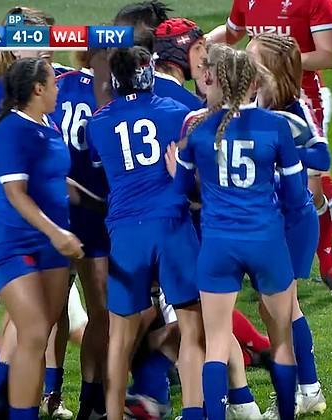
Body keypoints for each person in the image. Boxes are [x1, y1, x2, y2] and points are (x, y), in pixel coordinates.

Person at [175, 43, 305, 420]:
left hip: (218, 242)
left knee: (216, 342)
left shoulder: (198, 129)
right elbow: (296, 196)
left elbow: (181, 192)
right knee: (282, 341)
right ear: (253, 83)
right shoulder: (275, 126)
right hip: (266, 239)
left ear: (215, 81)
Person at [207, 0, 332, 294]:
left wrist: (278, 63)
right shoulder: (247, 3)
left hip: (300, 93)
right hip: (262, 95)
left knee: (313, 189)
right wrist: (201, 43)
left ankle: (329, 264)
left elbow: (328, 55)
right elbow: (230, 33)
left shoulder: (297, 108)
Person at [85, 46, 205, 420]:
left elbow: (103, 167)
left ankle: (113, 414)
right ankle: (195, 411)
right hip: (172, 226)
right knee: (192, 327)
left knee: (120, 336)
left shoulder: (97, 123)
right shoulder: (177, 113)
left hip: (126, 233)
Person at [0, 57, 84, 420]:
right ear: (38, 89)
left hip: (51, 248)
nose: (58, 88)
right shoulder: (12, 129)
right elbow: (16, 193)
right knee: (34, 331)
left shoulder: (48, 124)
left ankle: (17, 403)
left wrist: (101, 205)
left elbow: (57, 181)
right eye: (54, 83)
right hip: (14, 243)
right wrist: (57, 233)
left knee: (42, 334)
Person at [247, 33, 329, 417]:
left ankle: (304, 389)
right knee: (272, 310)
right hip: (269, 219)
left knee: (282, 309)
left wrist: (281, 150)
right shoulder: (255, 103)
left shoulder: (293, 109)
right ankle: (307, 388)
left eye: (250, 57)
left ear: (269, 70)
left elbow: (322, 157)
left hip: (291, 221)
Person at [49, 50, 111, 420]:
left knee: (48, 312)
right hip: (94, 211)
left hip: (53, 209)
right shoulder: (110, 92)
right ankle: (92, 399)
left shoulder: (56, 84)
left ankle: (49, 393)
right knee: (100, 311)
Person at [152, 18, 207, 110]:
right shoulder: (189, 105)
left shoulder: (137, 86)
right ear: (178, 53)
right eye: (197, 48)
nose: (204, 55)